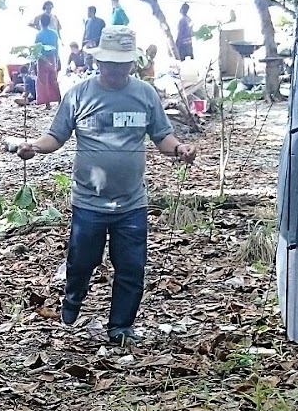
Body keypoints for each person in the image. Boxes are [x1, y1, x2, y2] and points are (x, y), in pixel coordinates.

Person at [16, 26, 195, 345]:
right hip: (89, 201)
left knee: (131, 266)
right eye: (110, 62)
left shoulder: (145, 94)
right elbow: (56, 135)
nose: (115, 69)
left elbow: (162, 137)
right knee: (82, 261)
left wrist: (180, 149)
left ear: (132, 63)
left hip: (132, 202)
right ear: (98, 61)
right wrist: (35, 147)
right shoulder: (79, 94)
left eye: (122, 63)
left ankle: (121, 326)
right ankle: (73, 297)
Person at [34, 13, 61, 106]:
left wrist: (34, 61)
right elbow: (57, 47)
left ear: (40, 22)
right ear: (49, 22)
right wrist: (56, 59)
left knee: (43, 82)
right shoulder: (54, 33)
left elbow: (36, 49)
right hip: (52, 58)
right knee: (54, 80)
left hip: (42, 59)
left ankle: (47, 104)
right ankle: (59, 100)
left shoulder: (39, 34)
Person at [81, 6, 105, 70]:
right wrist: (82, 44)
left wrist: (97, 42)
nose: (87, 13)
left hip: (96, 44)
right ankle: (90, 70)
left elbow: (103, 33)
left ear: (93, 12)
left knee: (98, 60)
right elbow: (85, 32)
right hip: (87, 44)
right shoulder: (87, 22)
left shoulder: (100, 21)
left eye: (89, 12)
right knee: (88, 61)